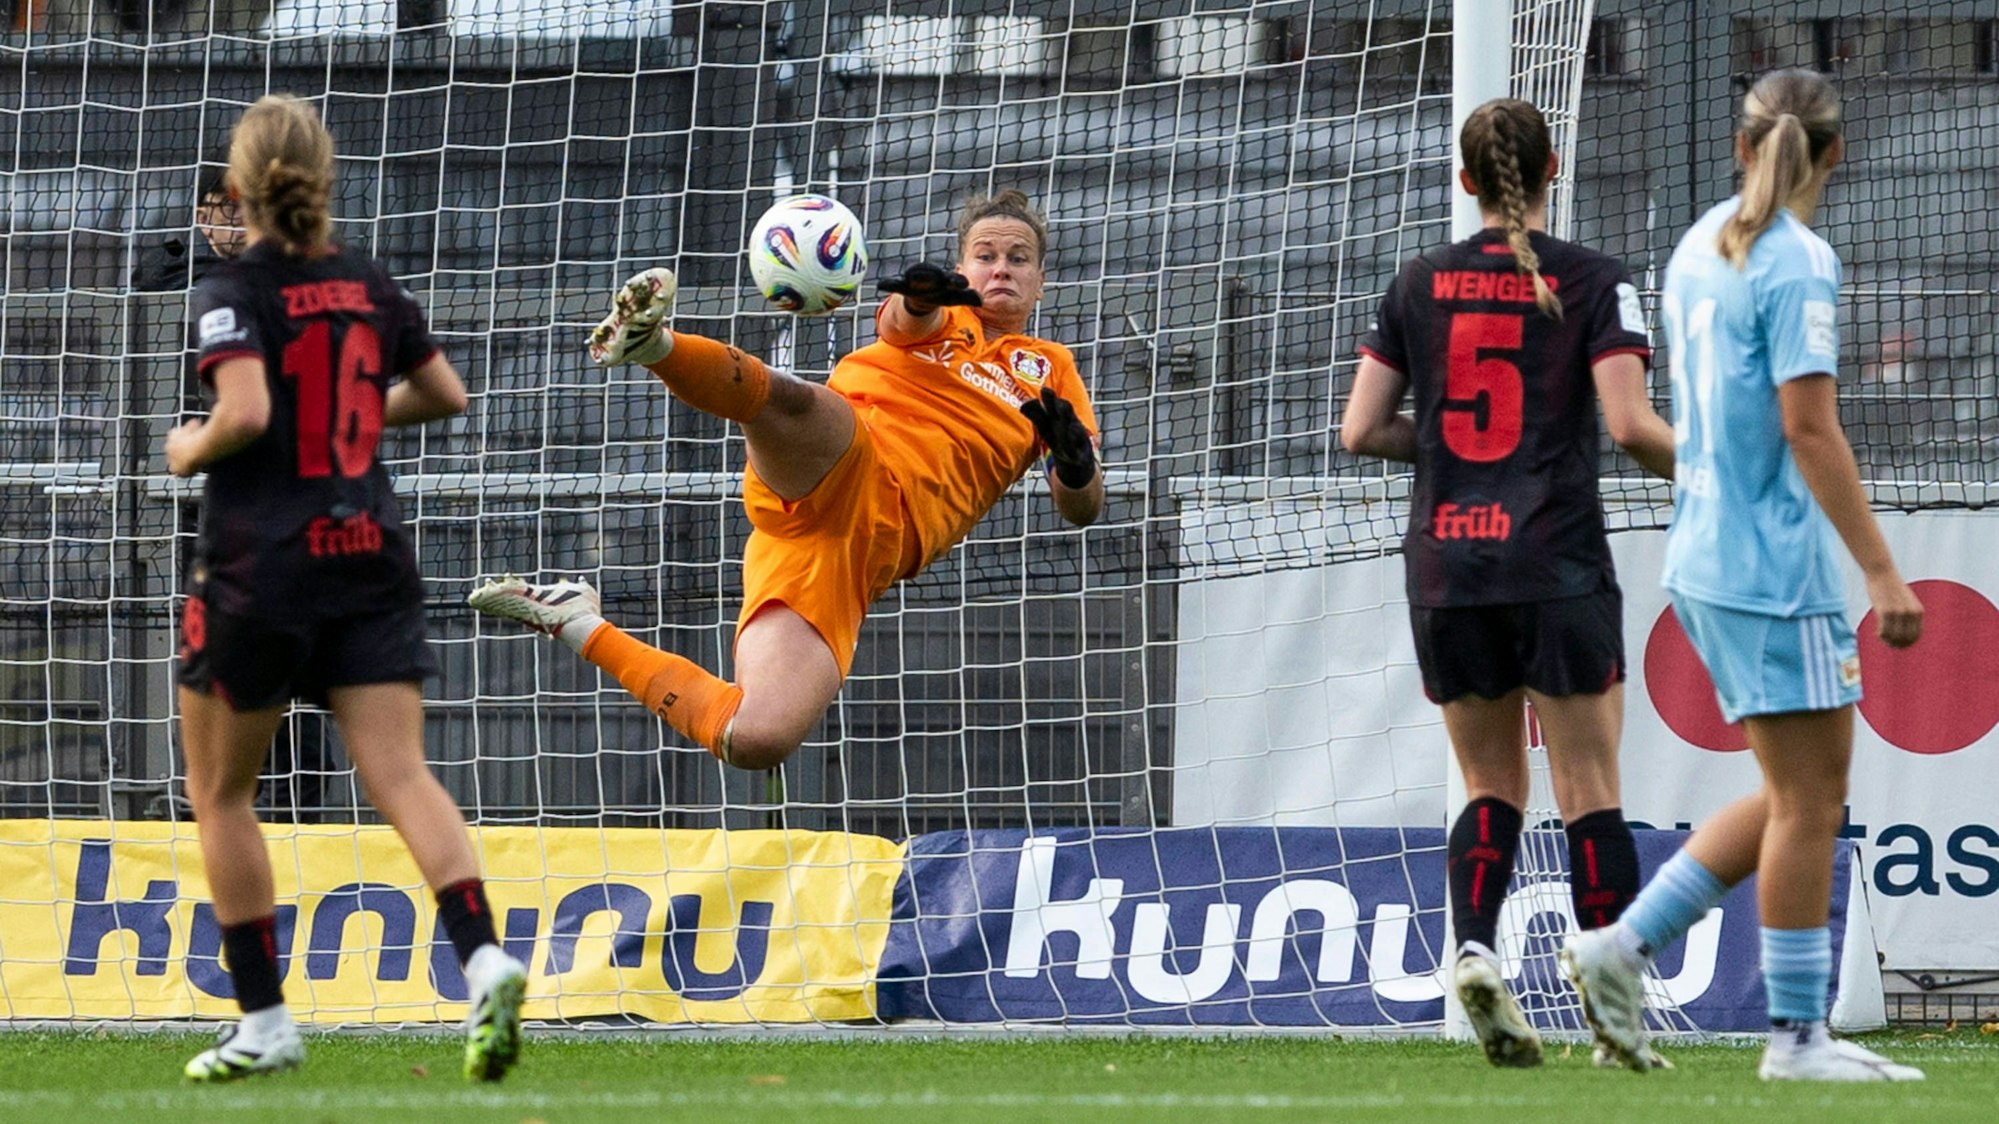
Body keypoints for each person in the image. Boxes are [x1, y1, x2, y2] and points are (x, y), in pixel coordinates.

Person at [1560, 69, 1926, 1082]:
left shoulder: (1696, 244)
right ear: (1836, 154)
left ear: (1739, 144)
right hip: (1771, 565)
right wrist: (1884, 574)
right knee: (1814, 798)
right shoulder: (1798, 259)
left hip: (1705, 552)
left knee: (1788, 789)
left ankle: (1618, 947)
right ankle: (1796, 1038)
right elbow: (1809, 428)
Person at [470, 190, 1103, 770]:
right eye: (984, 255)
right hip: (859, 460)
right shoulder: (942, 314)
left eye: (1018, 259)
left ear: (1040, 281)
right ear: (961, 268)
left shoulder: (1051, 368)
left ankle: (577, 621)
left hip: (853, 557)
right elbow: (899, 325)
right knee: (796, 404)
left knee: (757, 737)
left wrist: (1074, 464)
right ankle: (652, 344)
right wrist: (919, 299)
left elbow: (1082, 509)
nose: (1000, 269)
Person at [167, 95, 526, 1083]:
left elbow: (240, 411)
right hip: (369, 548)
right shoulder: (367, 279)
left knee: (222, 789)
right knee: (403, 774)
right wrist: (358, 415)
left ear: (237, 192)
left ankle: (265, 1018)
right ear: (324, 183)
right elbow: (446, 392)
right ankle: (485, 952)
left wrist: (186, 443)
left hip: (260, 565)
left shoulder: (230, 286)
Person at [1341, 98, 1675, 1069]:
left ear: (1464, 181)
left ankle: (1478, 948)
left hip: (1448, 558)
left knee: (1489, 781)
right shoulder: (1594, 280)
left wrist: (1448, 456)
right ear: (1553, 169)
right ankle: (1611, 999)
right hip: (1556, 557)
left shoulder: (1417, 282)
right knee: (1588, 785)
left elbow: (1360, 430)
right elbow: (1630, 427)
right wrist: (1728, 475)